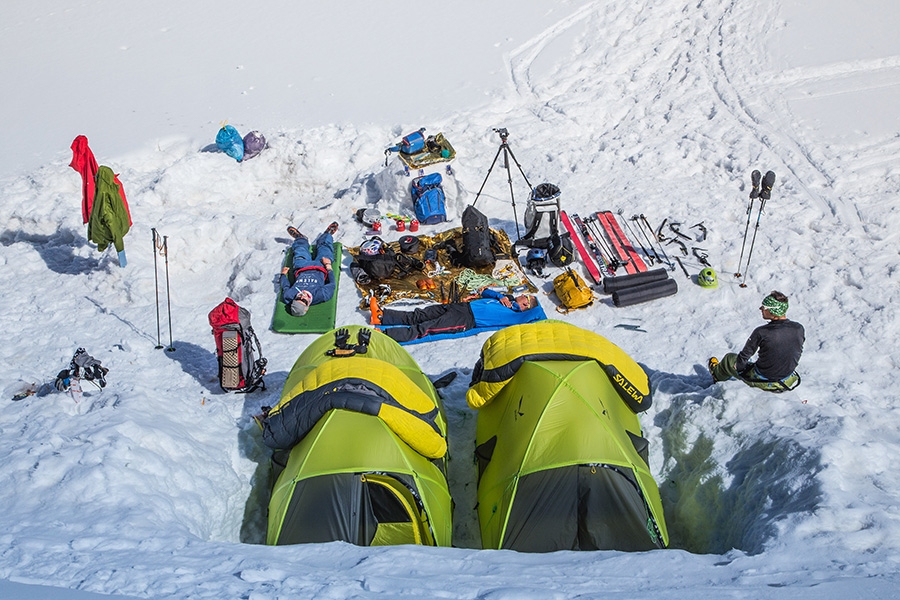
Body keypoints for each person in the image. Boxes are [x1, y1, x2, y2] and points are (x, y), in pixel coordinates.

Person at [369, 287, 542, 343]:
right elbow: (485, 291)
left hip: (465, 320)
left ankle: (386, 335)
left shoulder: (517, 316)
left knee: (425, 328)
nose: (523, 293)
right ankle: (382, 317)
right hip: (461, 307)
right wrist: (500, 296)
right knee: (420, 314)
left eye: (526, 296)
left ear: (526, 304)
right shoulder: (508, 299)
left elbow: (540, 317)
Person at [708, 290, 805, 388]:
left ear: (772, 311)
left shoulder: (762, 332)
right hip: (787, 378)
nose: (760, 309)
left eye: (764, 307)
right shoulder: (799, 328)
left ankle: (717, 374)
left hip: (764, 380)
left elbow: (744, 357)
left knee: (729, 359)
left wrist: (740, 369)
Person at [281, 222, 339, 317]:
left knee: (300, 250)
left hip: (301, 267)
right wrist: (328, 266)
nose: (302, 296)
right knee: (325, 250)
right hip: (320, 267)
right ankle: (326, 235)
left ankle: (300, 238)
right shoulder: (321, 295)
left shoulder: (289, 295)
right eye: (304, 300)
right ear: (307, 306)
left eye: (298, 298)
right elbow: (332, 284)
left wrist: (283, 275)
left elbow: (285, 286)